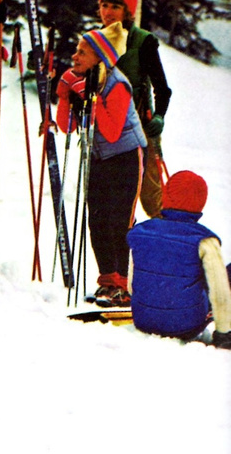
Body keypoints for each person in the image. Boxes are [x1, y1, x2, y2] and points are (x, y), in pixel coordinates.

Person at [56, 28, 146, 307]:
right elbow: (66, 126)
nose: (75, 56)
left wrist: (90, 99)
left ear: (100, 58)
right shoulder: (85, 79)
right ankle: (108, 282)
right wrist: (64, 96)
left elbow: (112, 129)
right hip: (99, 158)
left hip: (126, 157)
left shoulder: (117, 85)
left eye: (82, 52)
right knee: (97, 220)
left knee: (119, 222)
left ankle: (125, 284)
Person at [94, 0, 171, 218]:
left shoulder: (143, 42)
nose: (108, 12)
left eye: (115, 6)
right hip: (105, 129)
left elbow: (163, 88)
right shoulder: (94, 40)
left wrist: (159, 117)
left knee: (150, 195)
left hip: (139, 126)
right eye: (104, 5)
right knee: (114, 198)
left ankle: (165, 243)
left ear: (127, 11)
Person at [127, 170, 231, 348]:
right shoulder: (205, 240)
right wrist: (223, 333)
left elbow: (131, 285)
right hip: (185, 326)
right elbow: (220, 293)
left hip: (143, 320)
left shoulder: (141, 232)